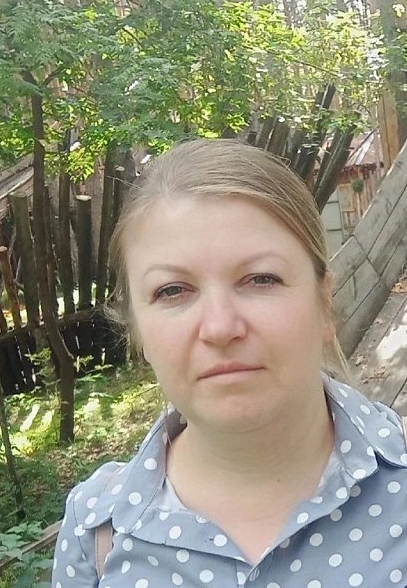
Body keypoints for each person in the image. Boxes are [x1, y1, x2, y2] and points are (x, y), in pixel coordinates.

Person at [52, 139, 407, 588]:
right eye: (173, 290)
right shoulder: (96, 535)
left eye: (260, 279)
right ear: (138, 332)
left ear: (324, 303)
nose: (220, 327)